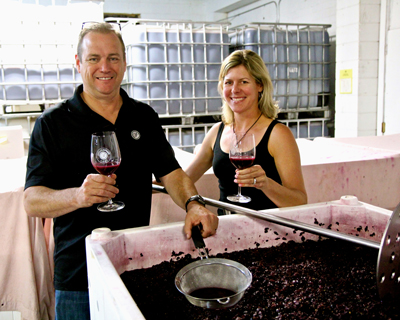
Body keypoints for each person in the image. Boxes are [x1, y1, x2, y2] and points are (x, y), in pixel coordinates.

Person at [23, 22, 218, 320]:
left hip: (137, 265)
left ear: (125, 63)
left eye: (113, 57)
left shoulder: (144, 116)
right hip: (78, 277)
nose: (105, 66)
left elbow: (172, 173)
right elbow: (32, 201)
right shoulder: (51, 124)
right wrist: (77, 196)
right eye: (93, 58)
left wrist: (194, 203)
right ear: (78, 63)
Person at [185, 49, 307, 213]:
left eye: (243, 82)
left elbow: (300, 201)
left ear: (259, 85)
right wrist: (145, 183)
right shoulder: (217, 131)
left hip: (266, 232)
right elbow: (184, 179)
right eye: (228, 82)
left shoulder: (278, 134)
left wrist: (266, 184)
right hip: (225, 229)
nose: (235, 90)